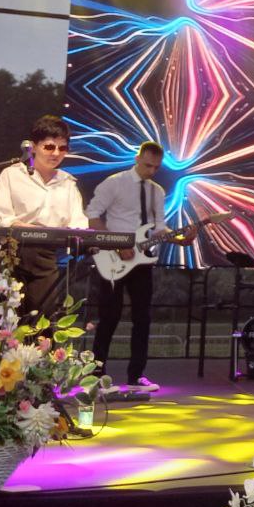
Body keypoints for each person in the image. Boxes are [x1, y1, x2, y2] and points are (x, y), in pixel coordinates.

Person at [86, 141, 193, 394]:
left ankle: (136, 376)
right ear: (137, 159)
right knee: (109, 316)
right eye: (147, 165)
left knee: (142, 318)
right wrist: (117, 245)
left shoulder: (157, 191)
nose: (151, 171)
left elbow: (159, 229)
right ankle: (97, 374)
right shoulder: (115, 183)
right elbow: (92, 217)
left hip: (142, 259)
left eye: (156, 167)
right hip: (112, 258)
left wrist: (180, 238)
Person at [0, 114, 88, 319]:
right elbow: (3, 217)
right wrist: (27, 228)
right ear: (33, 147)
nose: (56, 153)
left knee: (43, 319)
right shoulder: (12, 174)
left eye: (62, 148)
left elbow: (78, 223)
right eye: (49, 147)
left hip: (47, 256)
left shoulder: (68, 183)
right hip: (11, 252)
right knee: (5, 319)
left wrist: (70, 234)